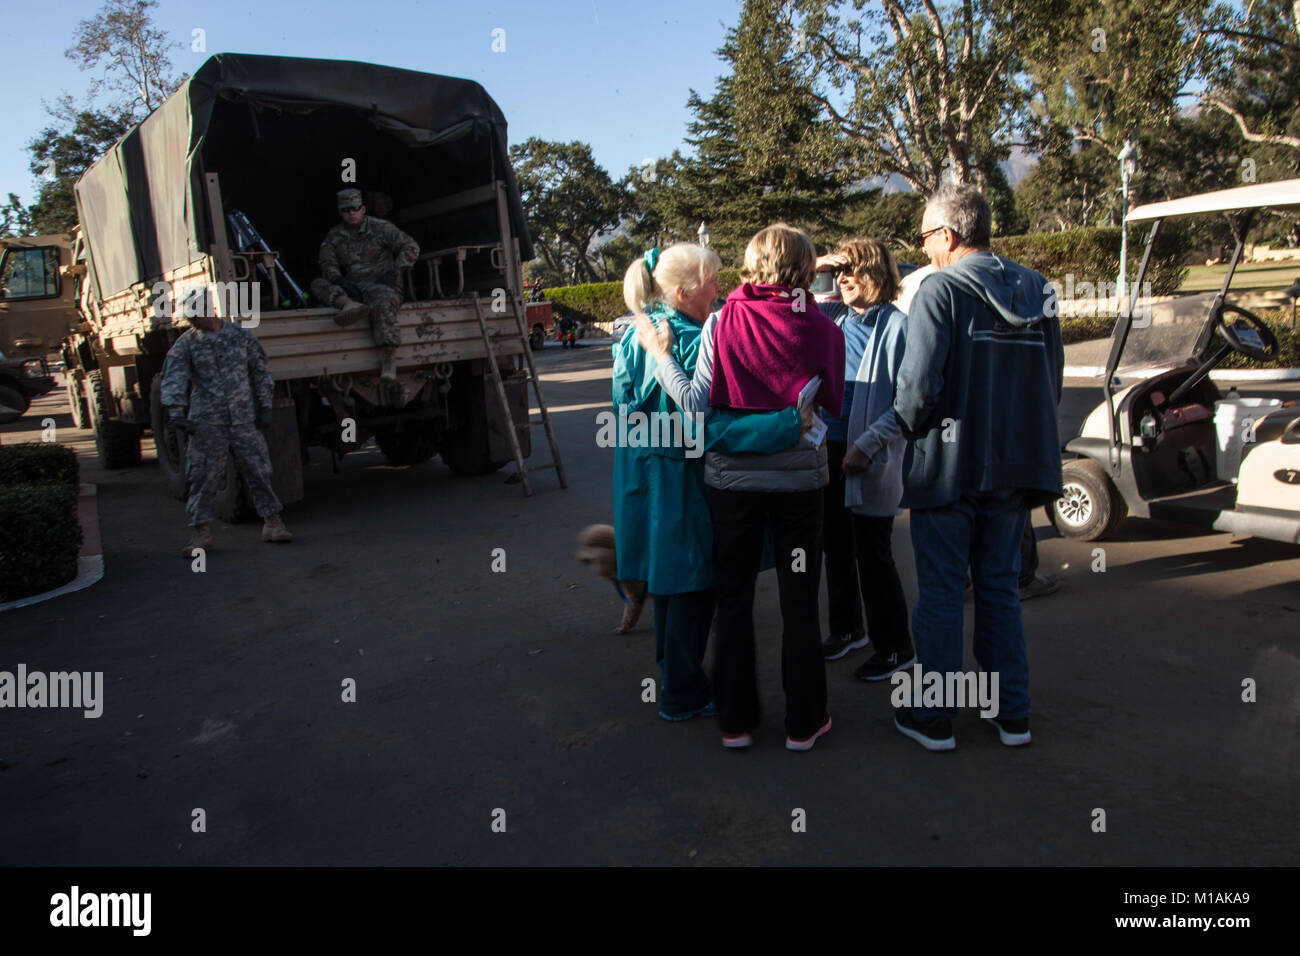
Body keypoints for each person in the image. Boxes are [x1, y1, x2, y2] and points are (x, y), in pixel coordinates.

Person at [638, 224, 844, 752]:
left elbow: (698, 406)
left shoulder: (723, 321)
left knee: (733, 602)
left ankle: (736, 722)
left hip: (731, 486)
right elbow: (832, 408)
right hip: (800, 484)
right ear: (805, 267)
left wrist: (662, 356)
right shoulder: (823, 327)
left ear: (753, 265)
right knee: (801, 603)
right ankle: (805, 722)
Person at [891, 183, 1063, 752]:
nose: (924, 248)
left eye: (924, 236)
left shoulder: (938, 290)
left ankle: (933, 718)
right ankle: (1010, 713)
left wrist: (906, 432)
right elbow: (1051, 380)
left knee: (941, 594)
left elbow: (916, 389)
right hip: (1015, 466)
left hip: (949, 468)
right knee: (999, 590)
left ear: (947, 234)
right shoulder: (1038, 287)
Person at [615, 244, 800, 722]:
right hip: (687, 476)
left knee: (670, 581)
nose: (721, 288)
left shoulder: (634, 333)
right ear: (682, 292)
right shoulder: (692, 338)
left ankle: (673, 674)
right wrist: (785, 426)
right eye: (713, 279)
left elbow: (624, 411)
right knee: (696, 583)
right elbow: (705, 421)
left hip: (648, 474)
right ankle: (682, 690)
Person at [815, 239, 915, 680]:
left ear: (875, 272)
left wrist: (868, 446)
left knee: (873, 555)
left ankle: (896, 649)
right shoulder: (831, 316)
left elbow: (911, 403)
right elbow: (781, 292)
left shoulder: (899, 327)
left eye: (852, 269)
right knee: (835, 547)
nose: (842, 278)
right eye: (839, 272)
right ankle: (847, 630)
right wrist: (815, 263)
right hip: (830, 451)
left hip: (870, 455)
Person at [160, 306, 293, 556]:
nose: (193, 322)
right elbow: (173, 377)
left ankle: (273, 523)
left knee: (259, 470)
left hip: (244, 419)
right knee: (204, 476)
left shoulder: (240, 337)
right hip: (208, 422)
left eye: (196, 316)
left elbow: (260, 371)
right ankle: (201, 533)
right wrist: (176, 412)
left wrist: (264, 405)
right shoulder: (187, 343)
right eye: (190, 319)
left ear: (209, 311)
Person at [309, 188, 419, 381]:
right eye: (346, 209)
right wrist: (338, 280)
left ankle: (388, 360)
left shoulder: (381, 228)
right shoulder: (334, 236)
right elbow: (327, 264)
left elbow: (411, 247)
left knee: (383, 303)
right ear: (340, 212)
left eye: (355, 208)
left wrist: (396, 271)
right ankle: (347, 305)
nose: (351, 213)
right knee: (317, 284)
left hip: (381, 285)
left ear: (363, 209)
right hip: (352, 289)